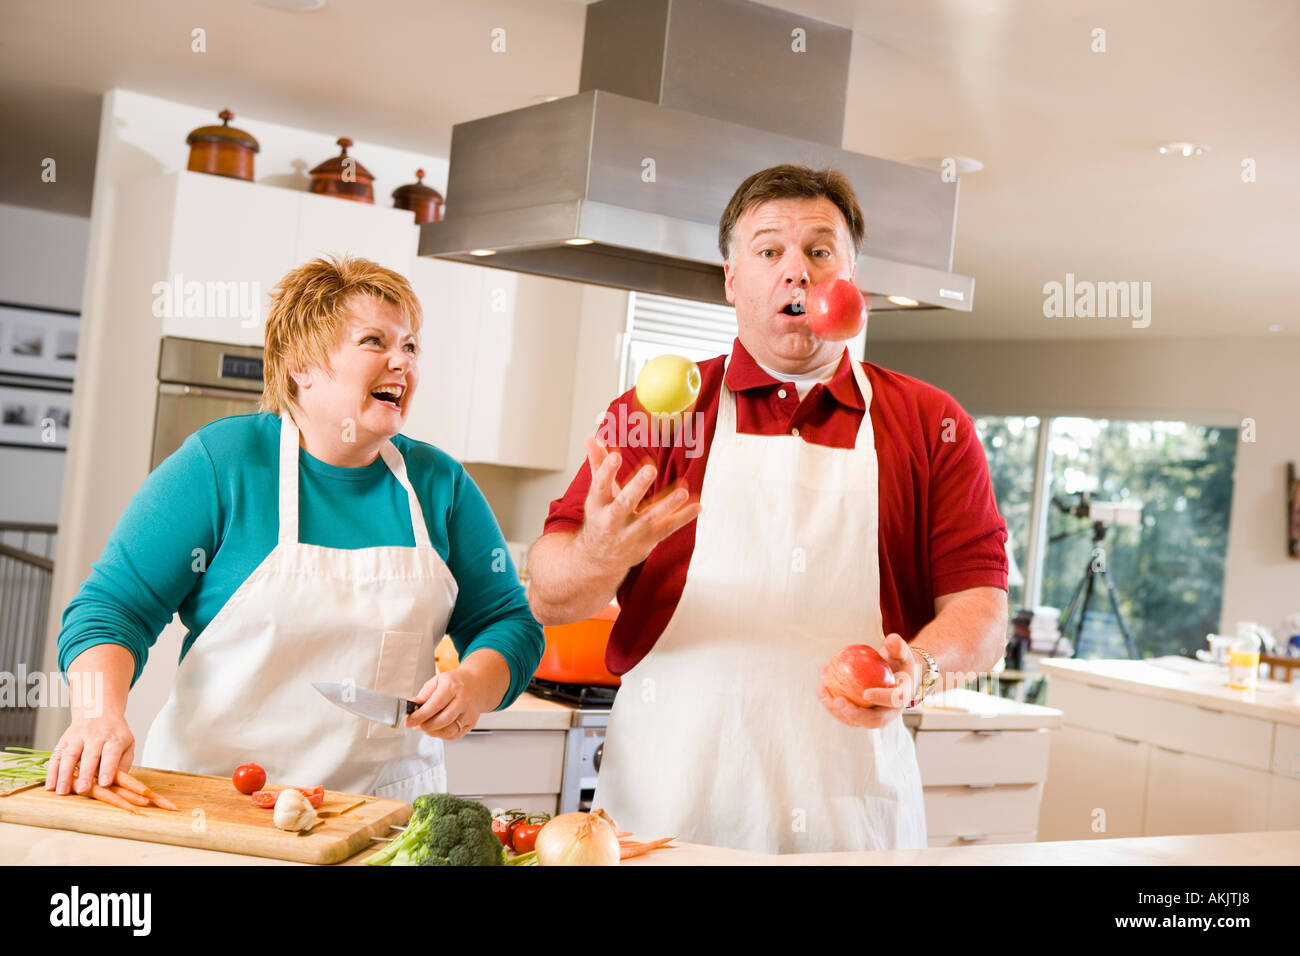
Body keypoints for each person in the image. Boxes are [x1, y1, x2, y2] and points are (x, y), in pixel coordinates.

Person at [527, 164, 1009, 854]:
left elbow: (983, 613)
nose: (797, 272)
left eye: (820, 251)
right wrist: (599, 554)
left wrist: (919, 669)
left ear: (852, 282)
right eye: (768, 251)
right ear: (732, 281)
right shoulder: (659, 415)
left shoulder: (930, 421)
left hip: (849, 820)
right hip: (667, 809)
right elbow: (551, 599)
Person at [51, 255, 543, 803]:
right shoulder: (223, 465)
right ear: (301, 366)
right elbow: (109, 610)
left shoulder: (440, 485)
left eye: (409, 346)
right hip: (216, 808)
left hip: (379, 818)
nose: (401, 363)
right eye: (374, 342)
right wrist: (97, 715)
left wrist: (475, 685)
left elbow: (509, 623)